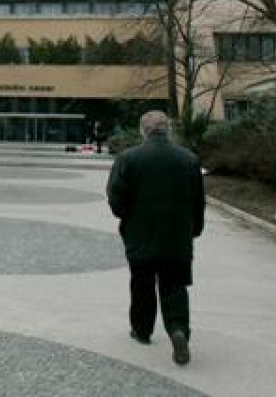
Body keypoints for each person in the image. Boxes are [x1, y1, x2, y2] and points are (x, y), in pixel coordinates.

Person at [107, 111, 205, 366]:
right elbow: (198, 201)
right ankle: (178, 329)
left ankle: (142, 330)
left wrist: (126, 215)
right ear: (168, 129)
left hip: (140, 234)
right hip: (177, 236)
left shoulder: (128, 158)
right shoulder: (189, 159)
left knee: (142, 283)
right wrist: (195, 229)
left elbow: (116, 199)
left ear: (143, 130)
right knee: (175, 284)